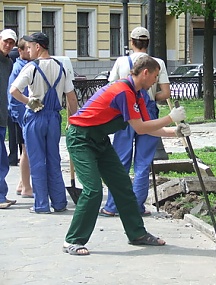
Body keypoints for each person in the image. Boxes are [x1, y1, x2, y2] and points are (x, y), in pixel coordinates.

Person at [62, 55, 190, 255]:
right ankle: (73, 240)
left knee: (123, 186)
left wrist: (175, 132)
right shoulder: (123, 92)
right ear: (145, 73)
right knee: (93, 190)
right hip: (81, 139)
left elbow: (148, 128)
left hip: (100, 140)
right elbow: (139, 128)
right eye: (155, 76)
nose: (156, 81)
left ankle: (137, 234)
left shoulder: (138, 95)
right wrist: (169, 118)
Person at [101, 26, 170, 217]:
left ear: (131, 42)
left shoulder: (122, 62)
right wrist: (149, 98)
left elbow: (111, 88)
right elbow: (165, 93)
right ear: (148, 43)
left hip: (125, 113)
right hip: (149, 113)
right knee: (143, 162)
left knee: (121, 159)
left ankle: (113, 206)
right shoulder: (158, 63)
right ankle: (136, 206)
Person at [10, 32, 78, 214]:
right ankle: (59, 202)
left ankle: (41, 205)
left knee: (37, 161)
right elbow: (71, 98)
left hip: (35, 117)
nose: (28, 50)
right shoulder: (61, 67)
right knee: (54, 159)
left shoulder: (31, 67)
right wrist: (75, 120)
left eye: (30, 47)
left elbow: (14, 90)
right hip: (54, 119)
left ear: (38, 47)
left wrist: (29, 102)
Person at [7, 37, 33, 198]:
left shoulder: (25, 66)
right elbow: (13, 96)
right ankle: (26, 188)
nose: (30, 51)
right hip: (22, 115)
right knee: (26, 150)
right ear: (20, 51)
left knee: (26, 150)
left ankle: (22, 184)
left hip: (23, 114)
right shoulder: (19, 68)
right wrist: (22, 117)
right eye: (27, 49)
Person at [0, 29, 17, 209]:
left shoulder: (8, 62)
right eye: (6, 41)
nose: (8, 45)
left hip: (2, 116)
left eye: (11, 42)